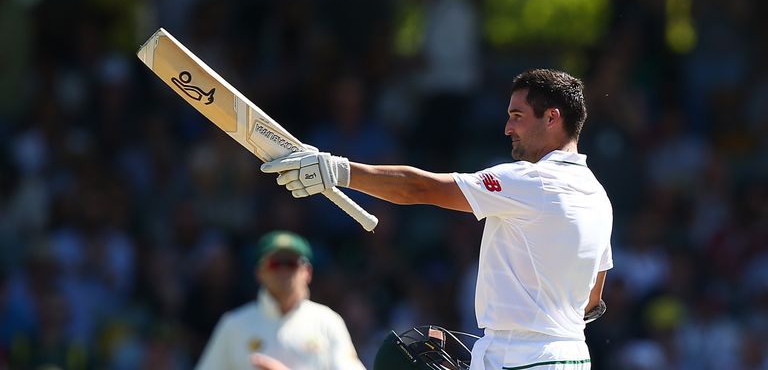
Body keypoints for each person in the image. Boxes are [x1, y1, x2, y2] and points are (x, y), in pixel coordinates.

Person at [261, 69, 613, 370]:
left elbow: (420, 188)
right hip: (572, 355)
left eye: (517, 116)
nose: (508, 127)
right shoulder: (598, 196)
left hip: (520, 358)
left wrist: (337, 170)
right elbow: (592, 300)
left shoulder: (531, 181)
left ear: (552, 118)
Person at [195, 230, 366, 370]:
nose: (283, 270)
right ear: (259, 272)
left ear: (307, 272)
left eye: (291, 263)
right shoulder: (233, 325)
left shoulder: (328, 322)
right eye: (274, 263)